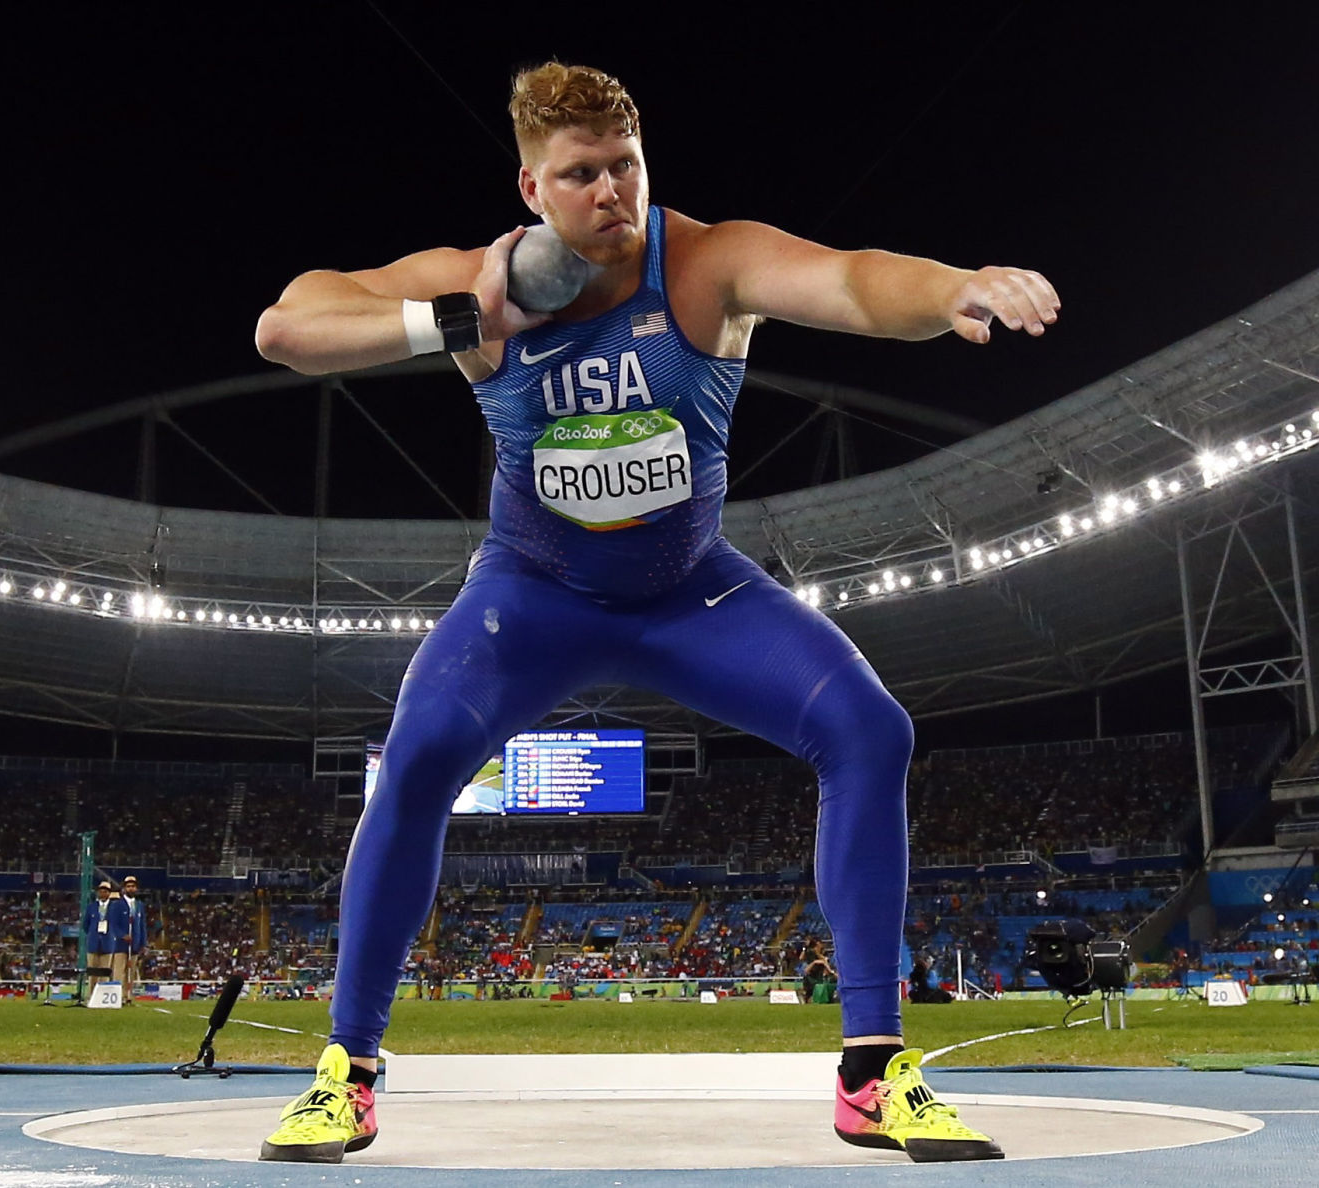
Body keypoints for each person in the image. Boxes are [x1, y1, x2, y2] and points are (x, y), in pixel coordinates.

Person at [252, 61, 1058, 1164]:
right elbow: (286, 327)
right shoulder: (474, 282)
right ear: (531, 186)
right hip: (530, 597)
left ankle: (875, 1073)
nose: (610, 193)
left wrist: (953, 286)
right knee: (418, 754)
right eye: (580, 174)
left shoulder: (707, 265)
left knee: (871, 729)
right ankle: (347, 1071)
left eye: (624, 166)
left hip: (692, 591)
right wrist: (458, 317)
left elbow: (856, 281)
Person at [81, 880, 127, 999]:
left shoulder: (114, 907)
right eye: (101, 891)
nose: (103, 893)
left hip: (108, 943)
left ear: (109, 893)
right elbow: (85, 925)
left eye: (105, 891)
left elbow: (118, 922)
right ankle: (91, 996)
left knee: (105, 972)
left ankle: (102, 997)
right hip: (93, 943)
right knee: (92, 973)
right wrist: (93, 934)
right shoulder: (92, 907)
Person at [120, 876, 148, 1005]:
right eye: (128, 886)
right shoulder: (118, 904)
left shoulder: (139, 905)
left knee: (131, 971)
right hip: (120, 944)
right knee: (120, 971)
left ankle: (128, 995)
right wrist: (121, 935)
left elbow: (142, 925)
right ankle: (120, 995)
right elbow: (114, 923)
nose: (131, 888)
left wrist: (143, 943)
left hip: (135, 944)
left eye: (133, 886)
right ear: (125, 888)